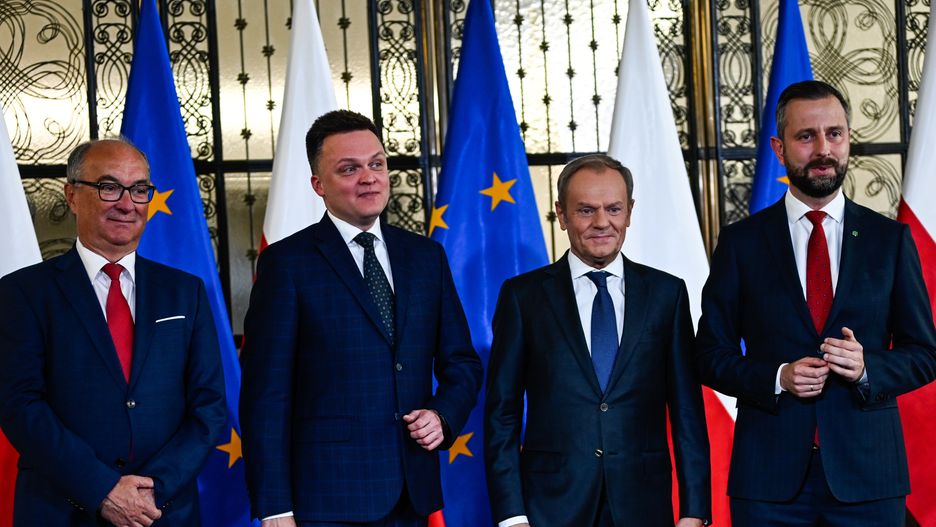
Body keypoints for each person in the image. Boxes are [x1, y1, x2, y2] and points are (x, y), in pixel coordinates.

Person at [694, 80, 936, 525]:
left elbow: (924, 354)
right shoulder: (741, 244)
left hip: (869, 481)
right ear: (779, 148)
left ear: (848, 139)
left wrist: (866, 368)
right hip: (768, 484)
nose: (823, 149)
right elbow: (709, 355)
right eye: (806, 136)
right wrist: (778, 377)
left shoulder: (890, 241)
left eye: (834, 134)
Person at [239, 110, 483, 527]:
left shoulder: (426, 257)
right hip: (326, 501)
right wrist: (275, 507)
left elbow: (461, 362)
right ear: (319, 185)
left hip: (412, 493)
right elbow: (265, 395)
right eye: (349, 169)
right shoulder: (286, 264)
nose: (369, 178)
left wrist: (443, 415)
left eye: (377, 164)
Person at [0, 138, 228, 526]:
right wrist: (102, 489)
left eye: (139, 189)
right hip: (62, 510)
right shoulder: (22, 292)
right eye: (109, 187)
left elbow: (209, 406)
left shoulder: (185, 291)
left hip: (163, 511)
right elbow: (20, 405)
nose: (127, 204)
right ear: (72, 195)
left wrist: (153, 489)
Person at [484, 154, 711, 527]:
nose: (602, 222)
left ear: (630, 212)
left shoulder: (666, 294)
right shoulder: (522, 297)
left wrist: (694, 510)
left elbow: (687, 410)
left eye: (614, 209)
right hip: (550, 507)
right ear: (562, 214)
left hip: (643, 505)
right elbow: (502, 413)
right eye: (586, 210)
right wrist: (512, 515)